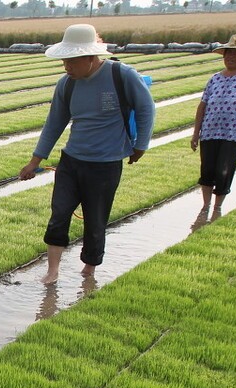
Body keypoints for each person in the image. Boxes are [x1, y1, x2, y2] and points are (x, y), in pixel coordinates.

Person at [20, 24, 155, 284]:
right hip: (71, 162)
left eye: (72, 61)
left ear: (90, 57)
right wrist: (34, 161)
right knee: (59, 214)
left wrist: (141, 146)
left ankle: (89, 270)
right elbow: (54, 123)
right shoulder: (66, 85)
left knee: (95, 221)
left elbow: (146, 109)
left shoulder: (122, 75)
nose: (66, 67)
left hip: (106, 164)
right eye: (64, 61)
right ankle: (52, 271)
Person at [191, 34, 236, 217]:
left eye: (235, 53)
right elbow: (202, 106)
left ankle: (217, 207)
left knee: (224, 170)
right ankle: (205, 205)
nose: (230, 57)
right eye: (228, 53)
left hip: (233, 134)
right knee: (207, 169)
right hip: (209, 131)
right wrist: (196, 133)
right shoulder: (215, 78)